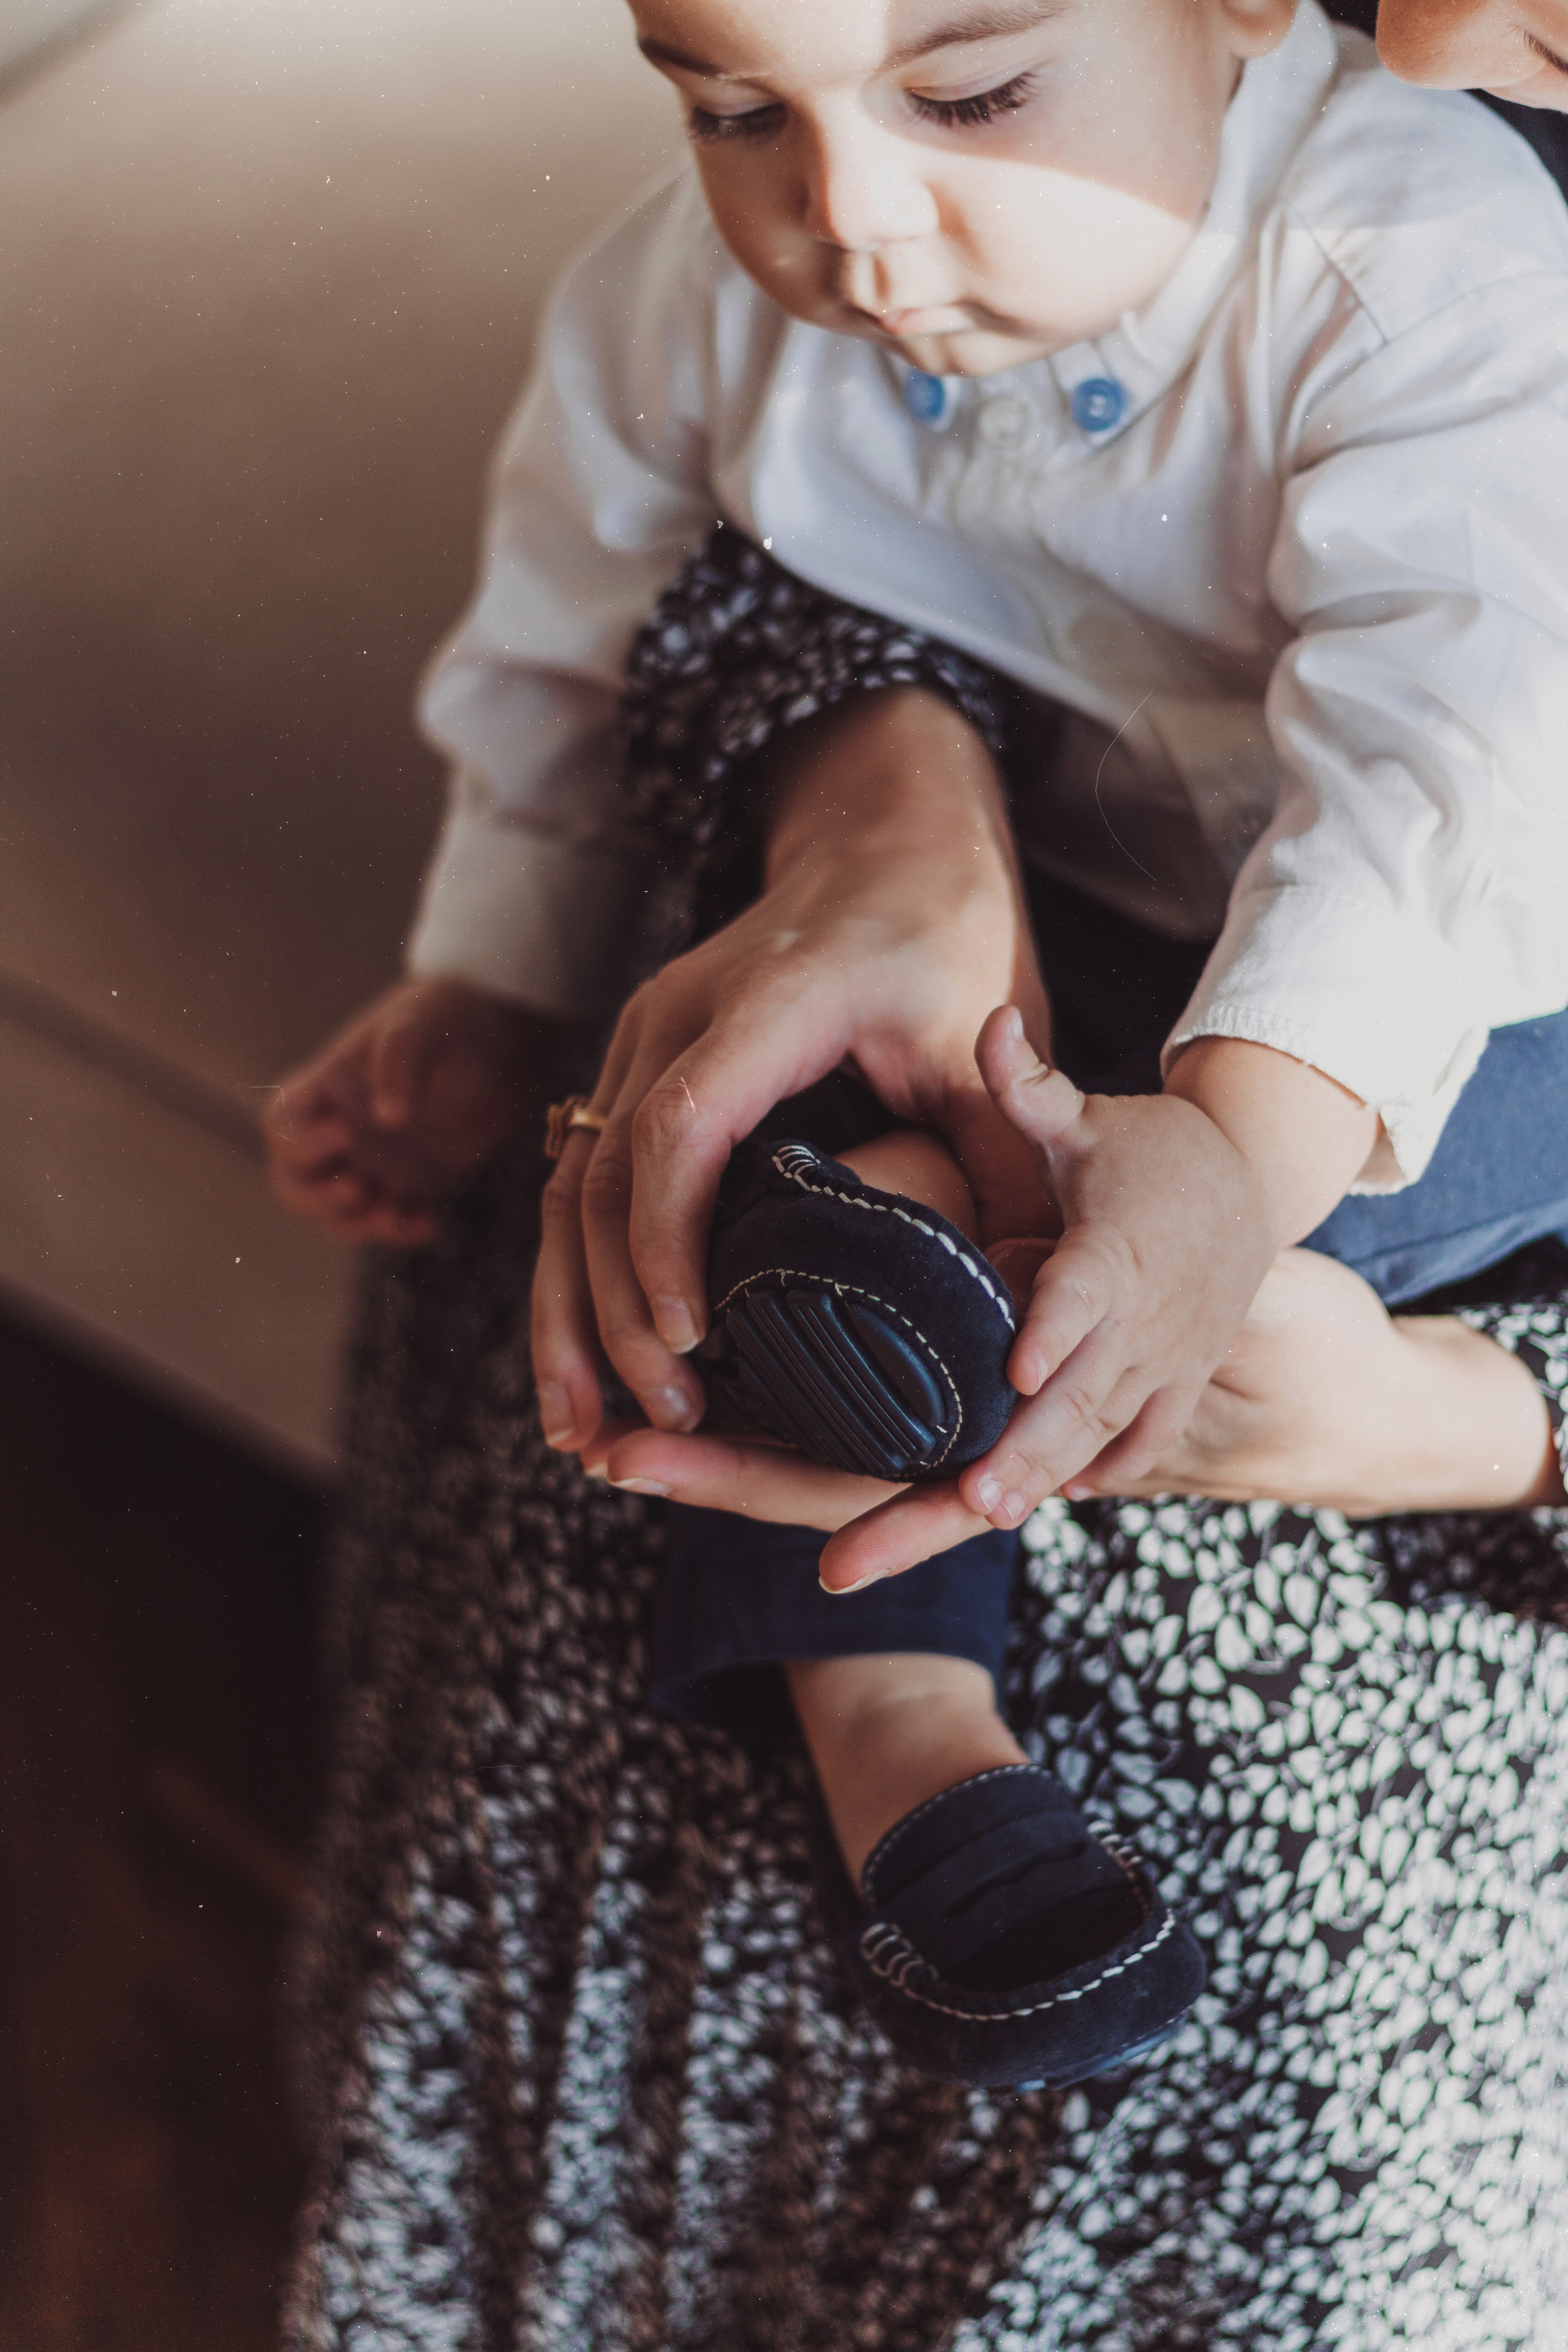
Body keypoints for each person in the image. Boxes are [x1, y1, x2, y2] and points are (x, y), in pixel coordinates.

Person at [266, 0, 1568, 2085]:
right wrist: (489, 981)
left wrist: (1235, 1160)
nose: (846, 218)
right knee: (744, 1137)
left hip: (1480, 966)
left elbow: (1445, 796)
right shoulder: (687, 306)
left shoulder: (1426, 275)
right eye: (731, 108)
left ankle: (915, 1270)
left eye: (971, 95)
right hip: (1058, 919)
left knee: (1333, 1153)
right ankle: (903, 1730)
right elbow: (565, 637)